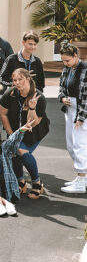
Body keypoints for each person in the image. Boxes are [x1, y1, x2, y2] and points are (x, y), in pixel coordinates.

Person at [0, 68, 49, 199]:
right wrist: (11, 134)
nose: (17, 83)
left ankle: (37, 182)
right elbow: (2, 113)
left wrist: (32, 107)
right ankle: (21, 181)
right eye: (15, 80)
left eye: (20, 79)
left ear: (28, 79)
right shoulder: (10, 93)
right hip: (16, 130)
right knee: (14, 151)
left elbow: (35, 123)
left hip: (34, 132)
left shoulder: (38, 97)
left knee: (21, 151)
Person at [58, 44, 87, 194]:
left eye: (67, 60)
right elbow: (61, 88)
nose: (65, 63)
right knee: (70, 145)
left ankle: (81, 181)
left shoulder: (85, 70)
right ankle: (83, 177)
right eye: (63, 60)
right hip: (69, 108)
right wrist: (62, 97)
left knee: (80, 145)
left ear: (76, 55)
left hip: (81, 110)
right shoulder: (67, 69)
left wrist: (81, 117)